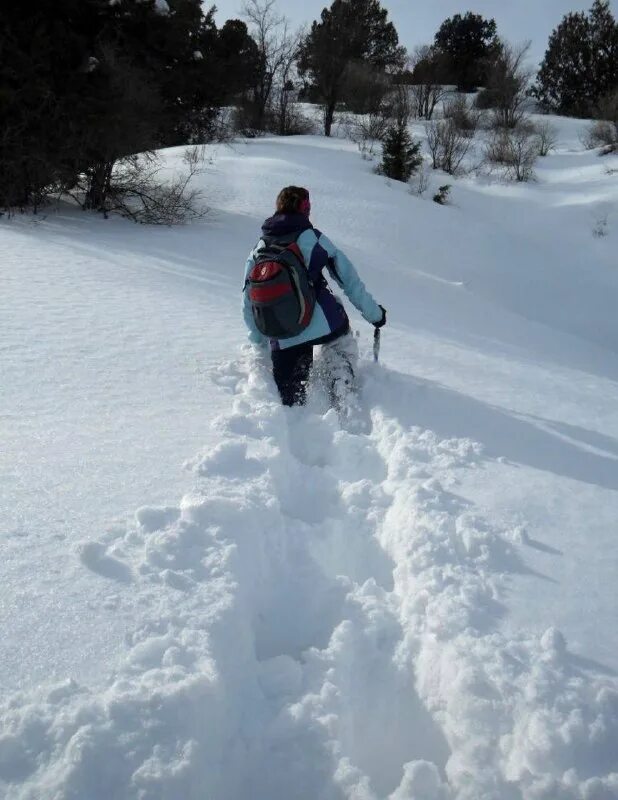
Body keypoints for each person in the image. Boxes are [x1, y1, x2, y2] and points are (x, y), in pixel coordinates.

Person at [242, 186, 386, 407]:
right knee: (338, 335)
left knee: (290, 394)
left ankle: (293, 410)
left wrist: (258, 342)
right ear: (305, 209)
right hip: (324, 326)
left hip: (282, 333)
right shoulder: (312, 238)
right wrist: (375, 315)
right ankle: (339, 374)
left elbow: (249, 300)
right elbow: (349, 280)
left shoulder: (259, 248)